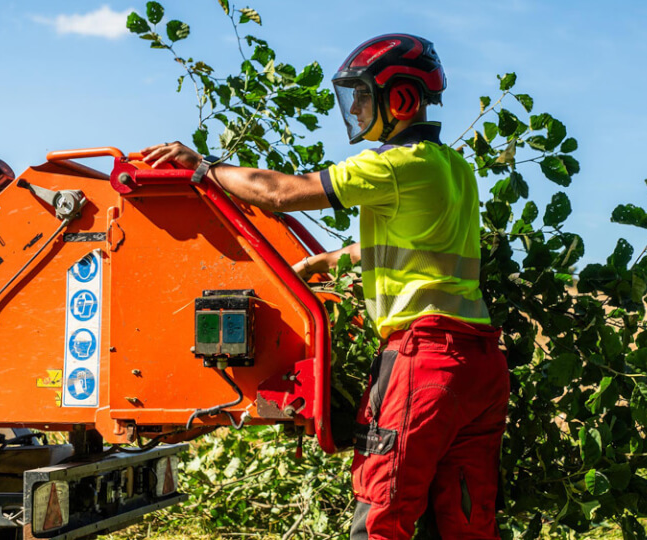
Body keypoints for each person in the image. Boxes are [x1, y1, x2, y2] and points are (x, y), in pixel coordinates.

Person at [142, 33, 508, 540]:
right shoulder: (452, 169)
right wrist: (325, 262)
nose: (354, 108)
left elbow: (280, 193)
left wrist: (204, 168)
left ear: (398, 99)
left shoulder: (394, 165)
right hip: (480, 366)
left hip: (422, 361)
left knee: (382, 516)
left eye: (361, 95)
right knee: (466, 522)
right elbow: (415, 247)